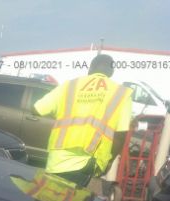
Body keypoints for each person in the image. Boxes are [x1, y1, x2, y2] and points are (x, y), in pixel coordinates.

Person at [34, 54, 132, 187]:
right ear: (112, 71)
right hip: (85, 162)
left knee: (51, 199)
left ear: (90, 68)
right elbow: (120, 134)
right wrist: (109, 161)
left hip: (56, 159)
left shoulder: (70, 85)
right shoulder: (121, 93)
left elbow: (38, 108)